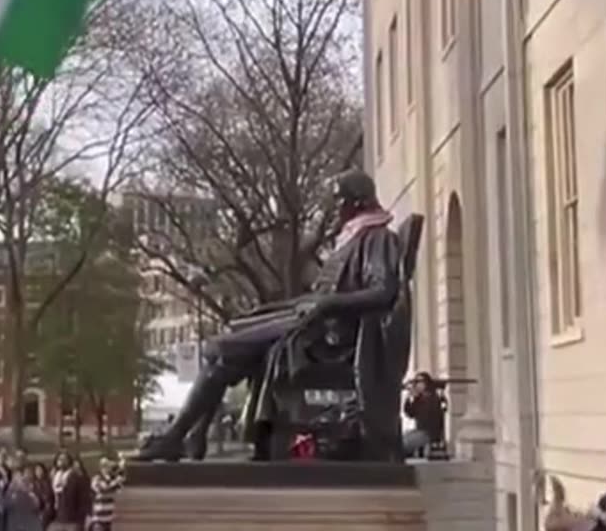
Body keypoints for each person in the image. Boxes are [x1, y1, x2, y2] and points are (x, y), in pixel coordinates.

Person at [135, 169, 404, 461]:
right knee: (226, 342)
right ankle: (192, 436)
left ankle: (179, 437)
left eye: (339, 202)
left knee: (221, 349)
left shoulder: (378, 237)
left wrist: (327, 305)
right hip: (311, 324)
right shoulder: (355, 236)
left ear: (358, 203)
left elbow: (384, 292)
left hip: (327, 339)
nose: (335, 209)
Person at [402, 371, 447, 458]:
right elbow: (410, 413)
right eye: (416, 382)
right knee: (400, 440)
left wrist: (417, 398)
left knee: (404, 444)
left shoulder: (432, 397)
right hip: (420, 431)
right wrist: (409, 399)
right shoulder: (419, 398)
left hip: (428, 433)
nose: (417, 385)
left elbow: (427, 417)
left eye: (420, 381)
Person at [47, 454, 89, 531]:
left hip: (72, 520)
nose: (61, 461)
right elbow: (50, 497)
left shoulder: (76, 477)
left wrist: (81, 518)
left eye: (64, 459)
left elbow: (83, 498)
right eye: (59, 458)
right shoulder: (54, 477)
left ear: (69, 461)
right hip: (56, 518)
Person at [87, 458, 124, 531]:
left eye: (108, 466)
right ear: (101, 467)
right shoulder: (97, 478)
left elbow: (118, 491)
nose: (107, 468)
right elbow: (103, 489)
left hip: (108, 517)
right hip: (98, 518)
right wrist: (116, 482)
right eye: (105, 466)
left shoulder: (110, 479)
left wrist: (118, 477)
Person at [0, 467, 40, 531]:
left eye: (19, 476)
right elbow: (5, 504)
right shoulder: (10, 491)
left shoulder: (29, 489)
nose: (18, 479)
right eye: (15, 477)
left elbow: (36, 504)